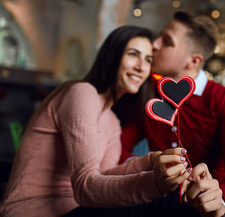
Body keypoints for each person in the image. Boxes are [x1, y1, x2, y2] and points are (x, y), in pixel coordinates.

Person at [0, 26, 193, 217]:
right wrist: (155, 184)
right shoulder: (81, 92)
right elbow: (86, 186)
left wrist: (150, 161)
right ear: (112, 56)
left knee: (177, 200)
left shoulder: (112, 121)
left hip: (76, 208)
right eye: (133, 54)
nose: (141, 67)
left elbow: (104, 176)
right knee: (167, 202)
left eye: (148, 59)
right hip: (34, 210)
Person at [120, 12, 225, 216]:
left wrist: (221, 199)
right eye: (159, 36)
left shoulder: (224, 100)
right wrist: (149, 165)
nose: (154, 44)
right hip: (162, 202)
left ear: (193, 61)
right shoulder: (150, 93)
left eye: (166, 42)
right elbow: (119, 147)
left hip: (215, 205)